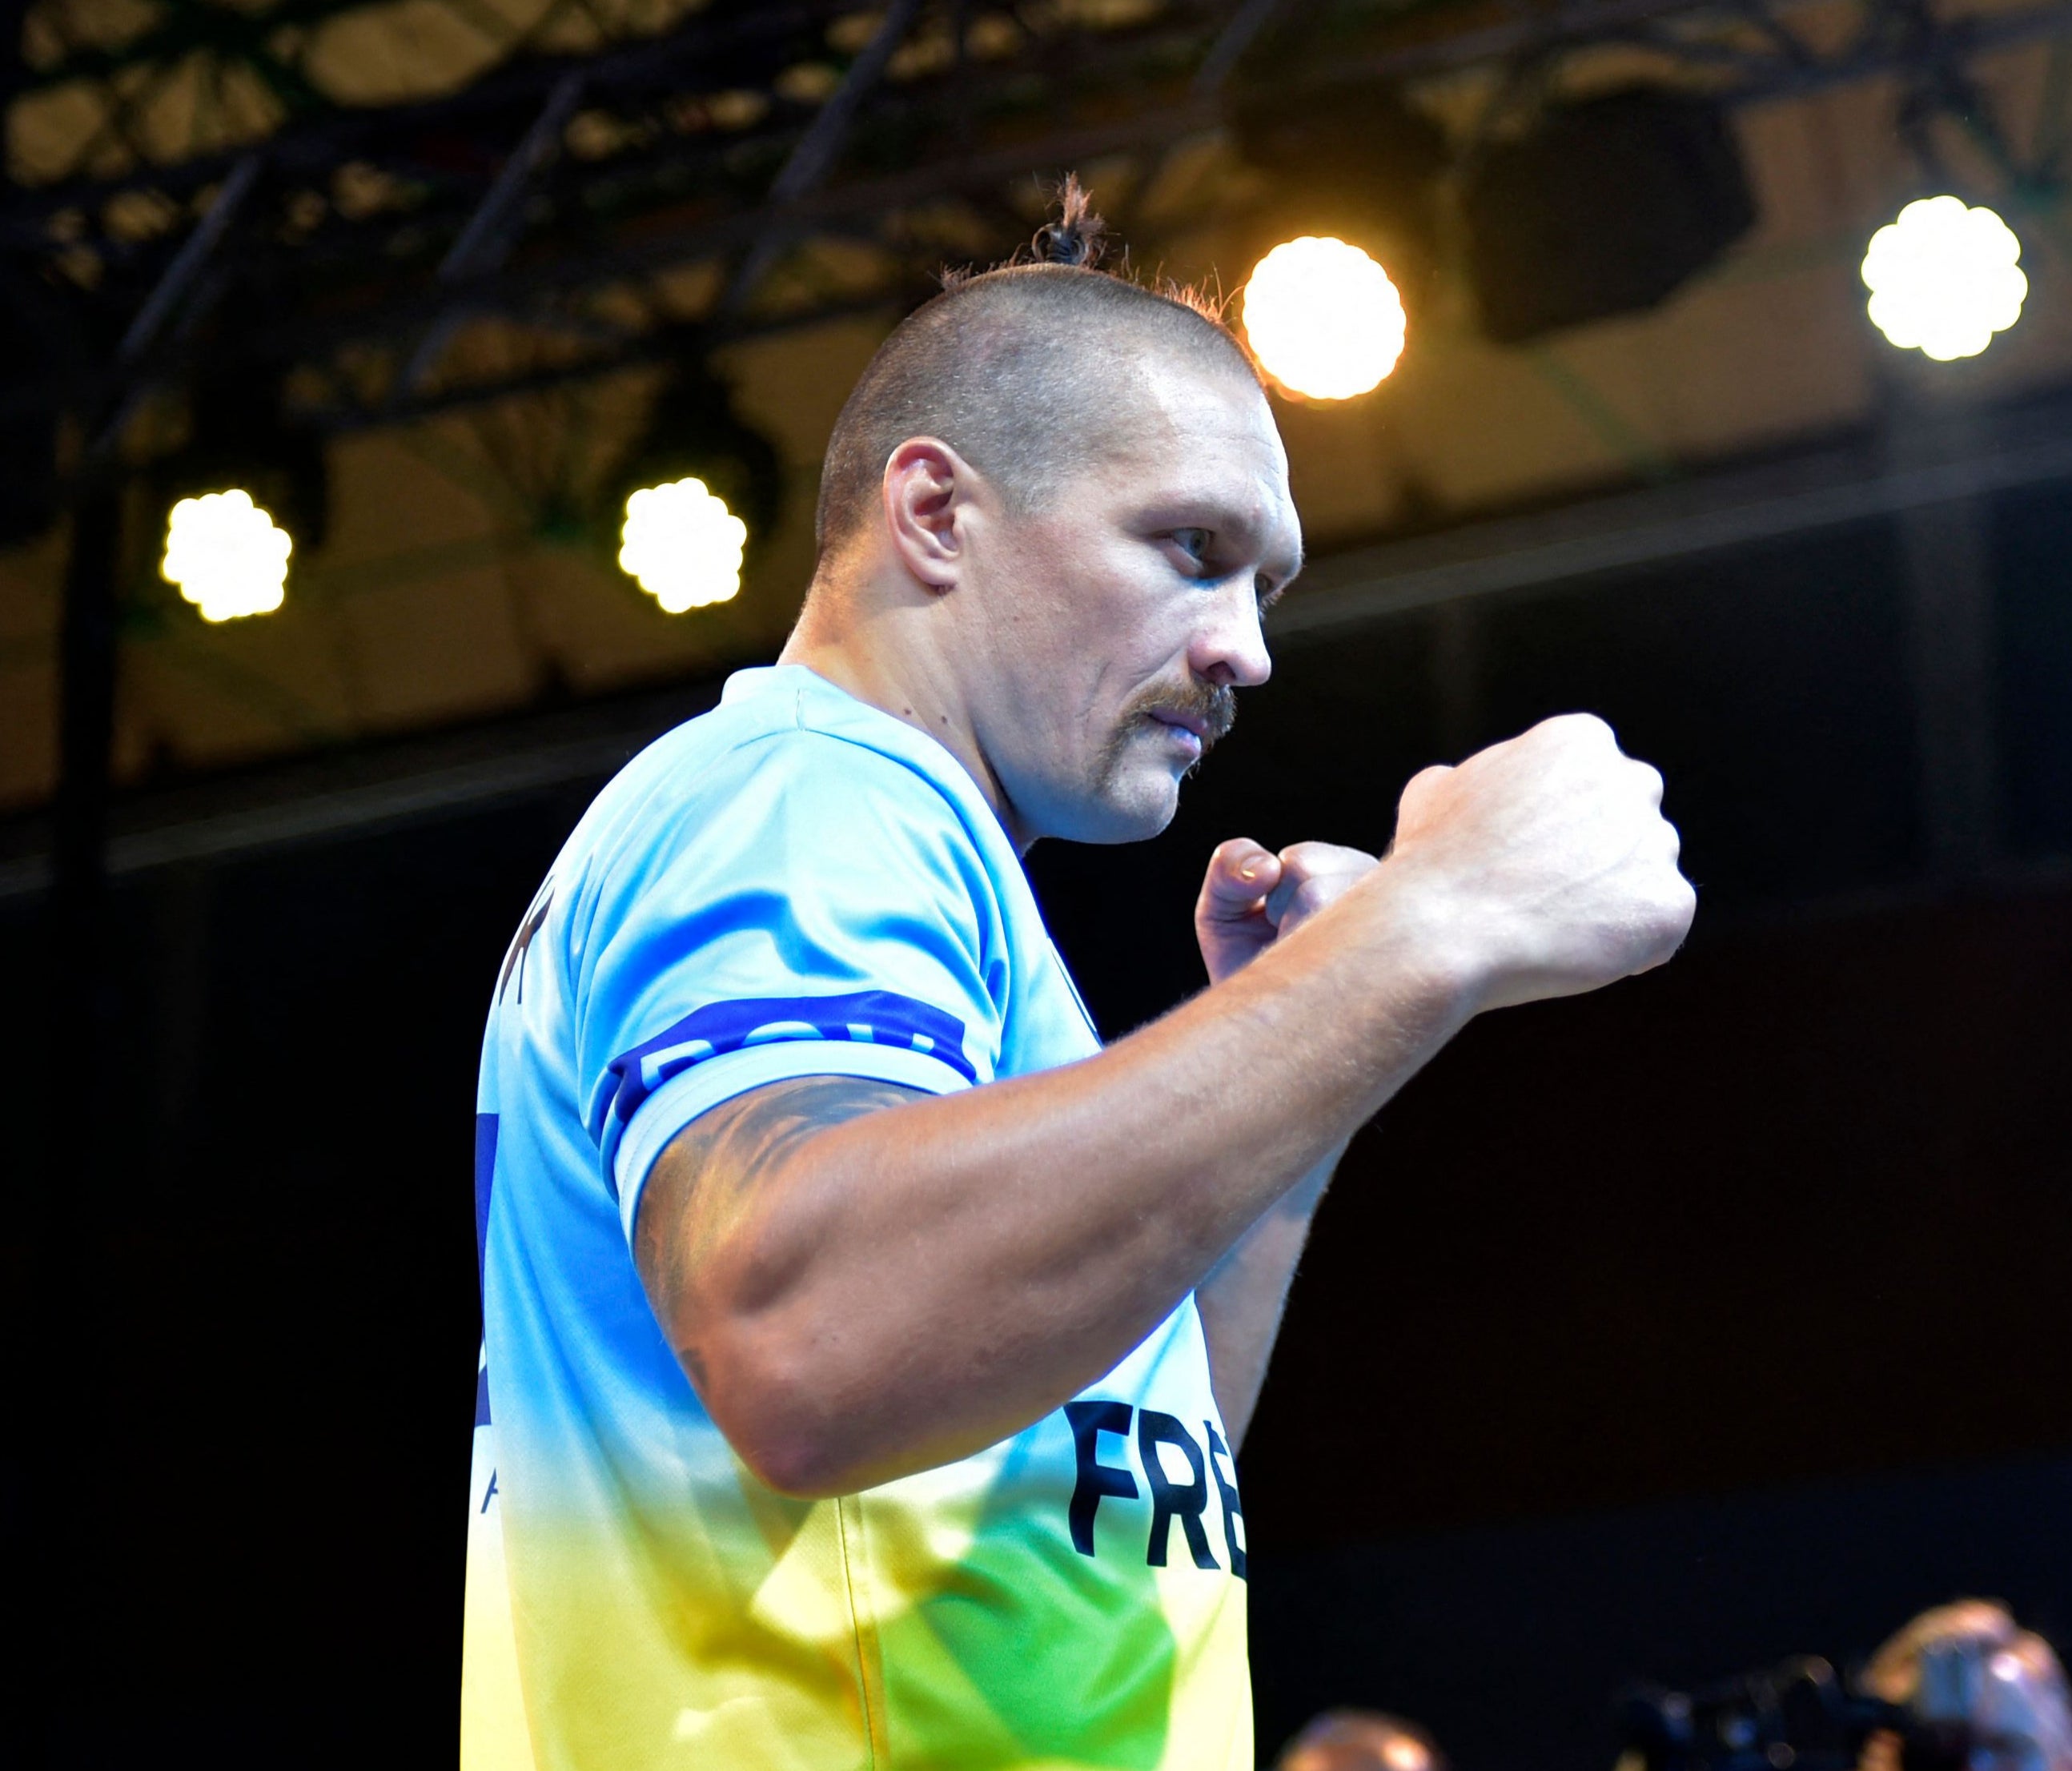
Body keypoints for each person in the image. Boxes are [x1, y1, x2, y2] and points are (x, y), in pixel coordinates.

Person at [462, 183, 1695, 1770]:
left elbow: (1100, 1501)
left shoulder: (915, 874)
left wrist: (1312, 1072)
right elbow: (810, 1340)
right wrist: (1425, 926)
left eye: (1267, 587)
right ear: (934, 513)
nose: (1245, 647)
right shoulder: (804, 794)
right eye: (1192, 548)